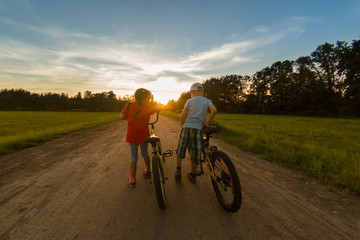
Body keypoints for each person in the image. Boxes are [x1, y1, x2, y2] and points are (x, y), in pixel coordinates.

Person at [175, 82, 217, 182]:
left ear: (192, 92)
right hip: (198, 129)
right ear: (202, 92)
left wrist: (182, 126)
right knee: (195, 152)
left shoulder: (189, 101)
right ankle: (192, 174)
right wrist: (207, 122)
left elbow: (182, 115)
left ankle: (178, 170)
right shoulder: (207, 101)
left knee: (181, 148)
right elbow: (214, 110)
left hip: (187, 127)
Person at [120, 88, 161, 188]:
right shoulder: (148, 107)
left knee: (133, 157)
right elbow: (159, 109)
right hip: (143, 136)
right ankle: (148, 170)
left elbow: (121, 117)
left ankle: (133, 180)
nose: (149, 101)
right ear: (144, 98)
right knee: (145, 153)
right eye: (148, 99)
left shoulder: (129, 105)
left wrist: (129, 116)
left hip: (132, 136)